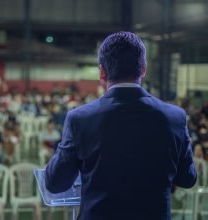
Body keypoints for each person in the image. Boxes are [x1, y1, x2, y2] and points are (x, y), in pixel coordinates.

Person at [45, 32, 197, 220]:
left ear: (102, 71)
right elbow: (188, 178)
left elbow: (55, 183)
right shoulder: (174, 117)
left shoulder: (79, 119)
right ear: (143, 69)